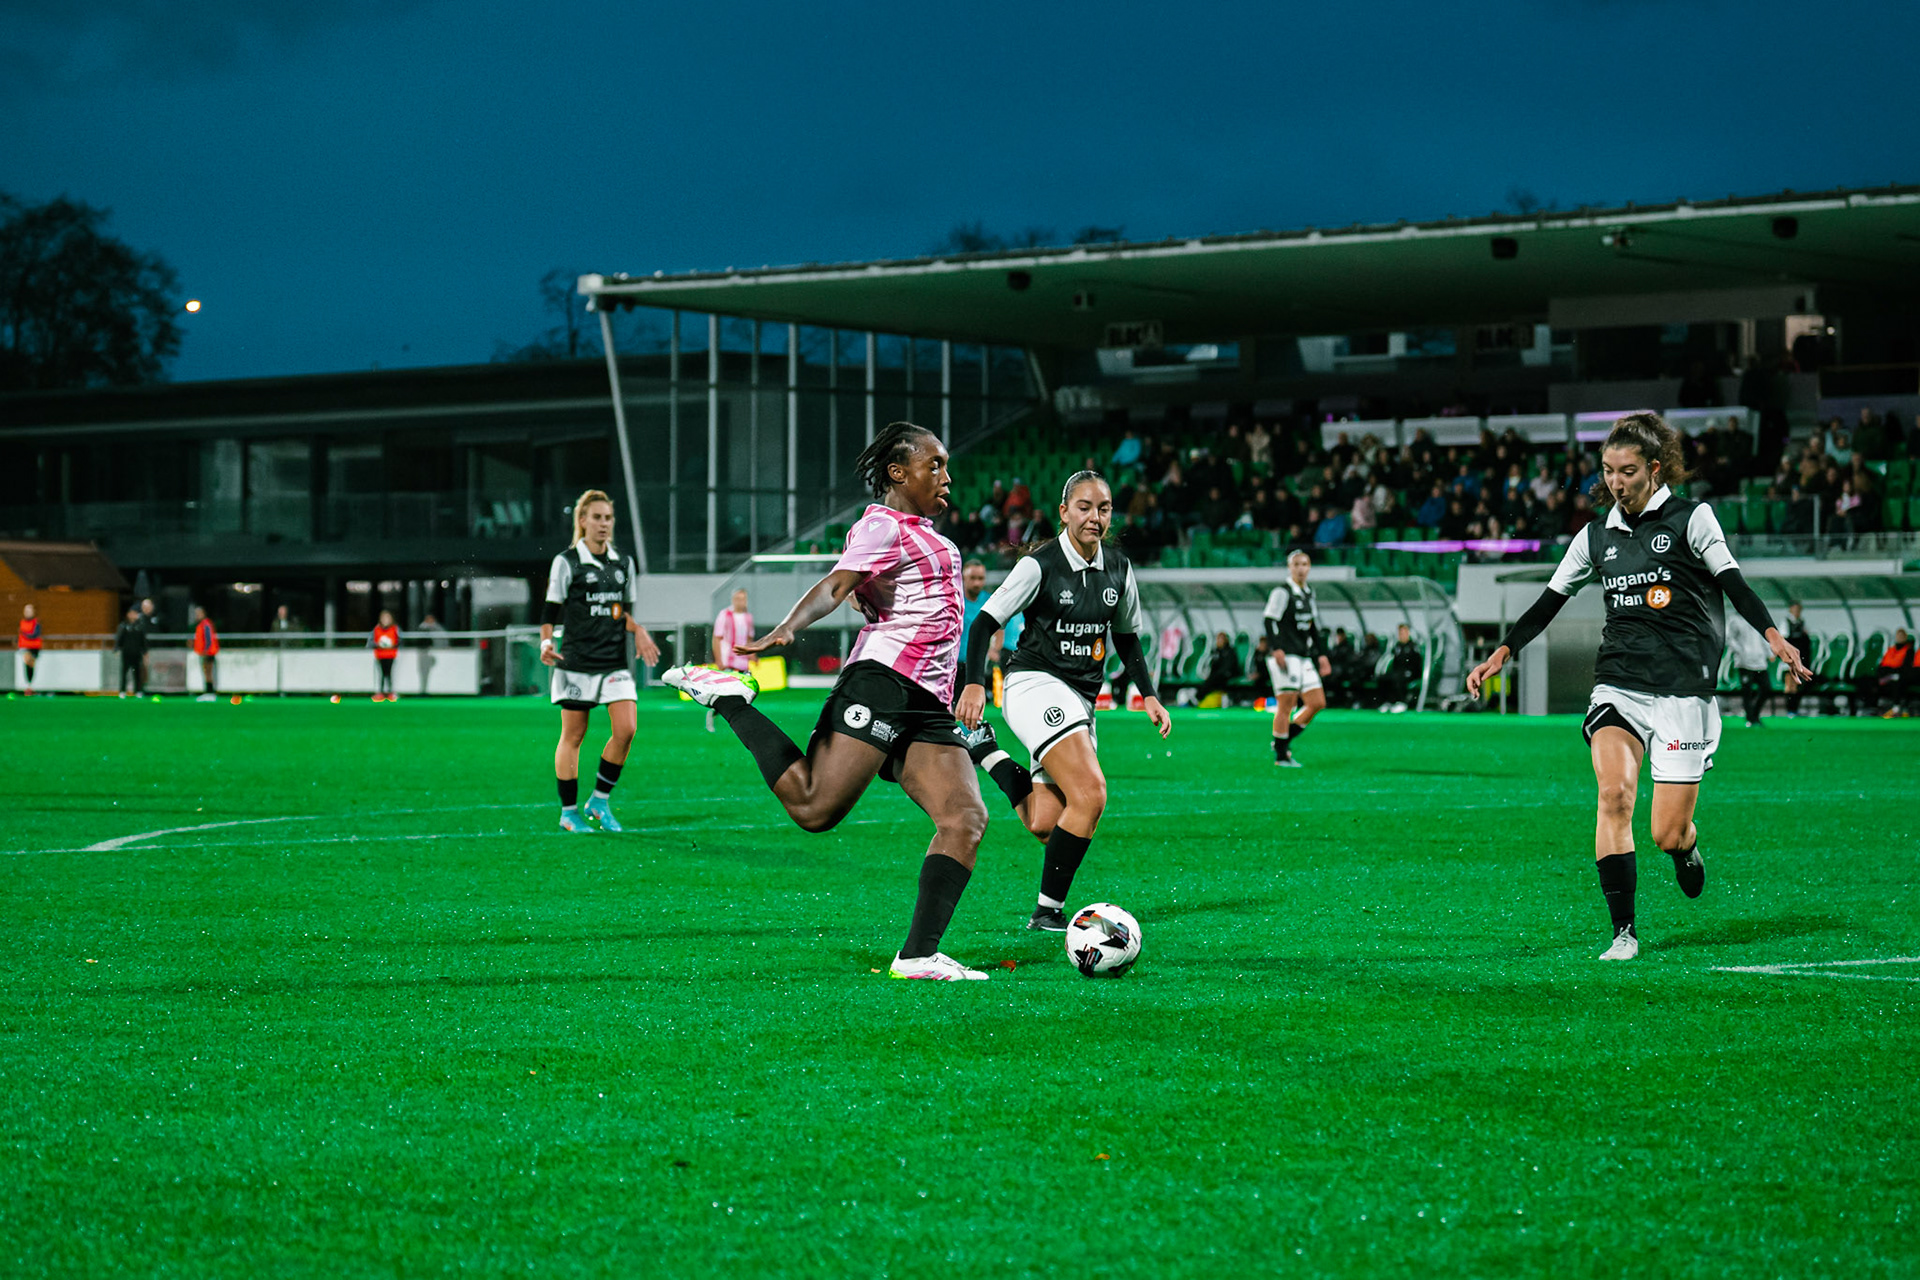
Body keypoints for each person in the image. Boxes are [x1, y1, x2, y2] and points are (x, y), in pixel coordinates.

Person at [1467, 412, 1811, 961]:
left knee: (1666, 833)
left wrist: (1774, 637)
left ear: (1654, 468)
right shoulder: (1595, 534)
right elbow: (1549, 601)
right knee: (1613, 795)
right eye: (1607, 471)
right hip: (1619, 683)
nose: (1615, 482)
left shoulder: (1692, 518)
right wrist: (1502, 652)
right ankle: (1623, 932)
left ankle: (1686, 846)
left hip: (1684, 690)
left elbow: (1734, 583)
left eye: (1626, 472)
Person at [662, 422, 992, 981]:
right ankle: (730, 699)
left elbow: (885, 596)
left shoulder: (931, 537)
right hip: (883, 682)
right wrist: (789, 626)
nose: (946, 476)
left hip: (929, 702)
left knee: (964, 818)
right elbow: (836, 586)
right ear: (897, 472)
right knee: (814, 808)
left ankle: (918, 956)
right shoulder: (881, 524)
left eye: (946, 465)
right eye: (934, 465)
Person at [955, 470, 1170, 931]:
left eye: (1104, 508)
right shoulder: (1039, 565)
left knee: (1047, 824)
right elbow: (984, 623)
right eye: (1085, 507)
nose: (1095, 517)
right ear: (1064, 512)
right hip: (1034, 683)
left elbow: (1126, 636)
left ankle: (985, 751)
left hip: (1081, 699)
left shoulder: (1119, 567)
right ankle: (1048, 912)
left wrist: (1149, 695)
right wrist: (974, 684)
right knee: (1090, 794)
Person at [541, 489, 661, 834]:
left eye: (608, 517)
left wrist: (638, 630)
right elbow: (550, 611)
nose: (604, 523)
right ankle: (568, 812)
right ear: (583, 521)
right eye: (597, 517)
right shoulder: (567, 562)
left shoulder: (623, 563)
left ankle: (599, 801)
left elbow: (621, 612)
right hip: (576, 662)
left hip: (613, 661)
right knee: (573, 735)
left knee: (626, 730)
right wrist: (546, 641)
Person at [1263, 550, 1333, 767]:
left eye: (1304, 564)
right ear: (1289, 567)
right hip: (1287, 655)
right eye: (1296, 564)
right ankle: (1281, 756)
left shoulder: (1309, 593)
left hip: (1304, 656)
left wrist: (1322, 655)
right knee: (1287, 704)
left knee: (1317, 702)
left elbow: (1313, 627)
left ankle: (1281, 741)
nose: (1301, 569)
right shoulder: (1282, 592)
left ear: (1309, 567)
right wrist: (1276, 648)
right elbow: (1269, 620)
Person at [708, 587, 756, 733]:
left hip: (743, 662)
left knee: (746, 692)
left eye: (743, 599)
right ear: (733, 600)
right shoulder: (725, 615)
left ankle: (741, 721)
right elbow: (717, 638)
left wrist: (753, 655)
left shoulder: (748, 617)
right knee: (726, 693)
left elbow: (749, 638)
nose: (740, 602)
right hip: (727, 660)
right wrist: (719, 660)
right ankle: (713, 714)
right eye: (738, 599)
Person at [368, 609, 401, 702]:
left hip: (391, 655)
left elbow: (399, 641)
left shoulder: (395, 629)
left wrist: (392, 645)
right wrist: (378, 645)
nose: (385, 620)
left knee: (389, 673)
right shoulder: (377, 629)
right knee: (381, 674)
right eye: (383, 618)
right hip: (380, 655)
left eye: (387, 618)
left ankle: (390, 692)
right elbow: (371, 642)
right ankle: (380, 692)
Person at [115, 607, 147, 697]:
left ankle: (138, 691)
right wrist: (117, 649)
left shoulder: (140, 626)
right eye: (132, 613)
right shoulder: (123, 626)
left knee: (137, 673)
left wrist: (145, 652)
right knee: (124, 672)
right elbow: (119, 639)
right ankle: (122, 691)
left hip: (137, 653)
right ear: (128, 615)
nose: (133, 616)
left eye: (135, 614)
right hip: (126, 653)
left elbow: (143, 641)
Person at [192, 607, 219, 701]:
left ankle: (210, 693)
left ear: (203, 614)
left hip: (208, 653)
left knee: (208, 673)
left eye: (199, 614)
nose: (197, 616)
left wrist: (206, 651)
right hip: (205, 652)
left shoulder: (206, 624)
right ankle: (208, 692)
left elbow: (208, 639)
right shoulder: (201, 625)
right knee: (206, 673)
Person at [416, 612, 447, 694]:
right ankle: (423, 690)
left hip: (435, 652)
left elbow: (444, 639)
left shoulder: (439, 629)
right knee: (423, 673)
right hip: (423, 653)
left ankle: (430, 690)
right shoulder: (421, 629)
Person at [16, 603, 42, 694]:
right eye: (26, 611)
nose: (27, 613)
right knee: (27, 661)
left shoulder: (36, 623)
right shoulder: (22, 622)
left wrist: (24, 634)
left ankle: (30, 685)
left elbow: (35, 634)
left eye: (29, 611)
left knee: (31, 665)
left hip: (34, 647)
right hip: (25, 647)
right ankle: (28, 686)